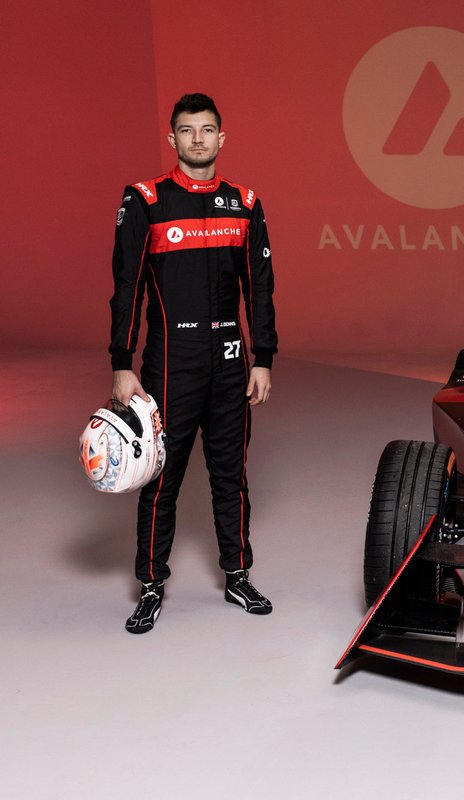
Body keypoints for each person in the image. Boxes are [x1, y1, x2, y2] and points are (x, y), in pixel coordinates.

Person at [110, 93, 278, 633]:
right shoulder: (146, 200)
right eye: (187, 130)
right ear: (173, 139)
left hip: (230, 364)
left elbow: (260, 288)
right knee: (162, 479)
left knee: (231, 476)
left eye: (207, 130)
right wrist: (121, 362)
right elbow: (127, 287)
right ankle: (151, 585)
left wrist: (263, 358)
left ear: (221, 137)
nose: (198, 139)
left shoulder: (245, 203)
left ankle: (237, 575)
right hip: (169, 365)